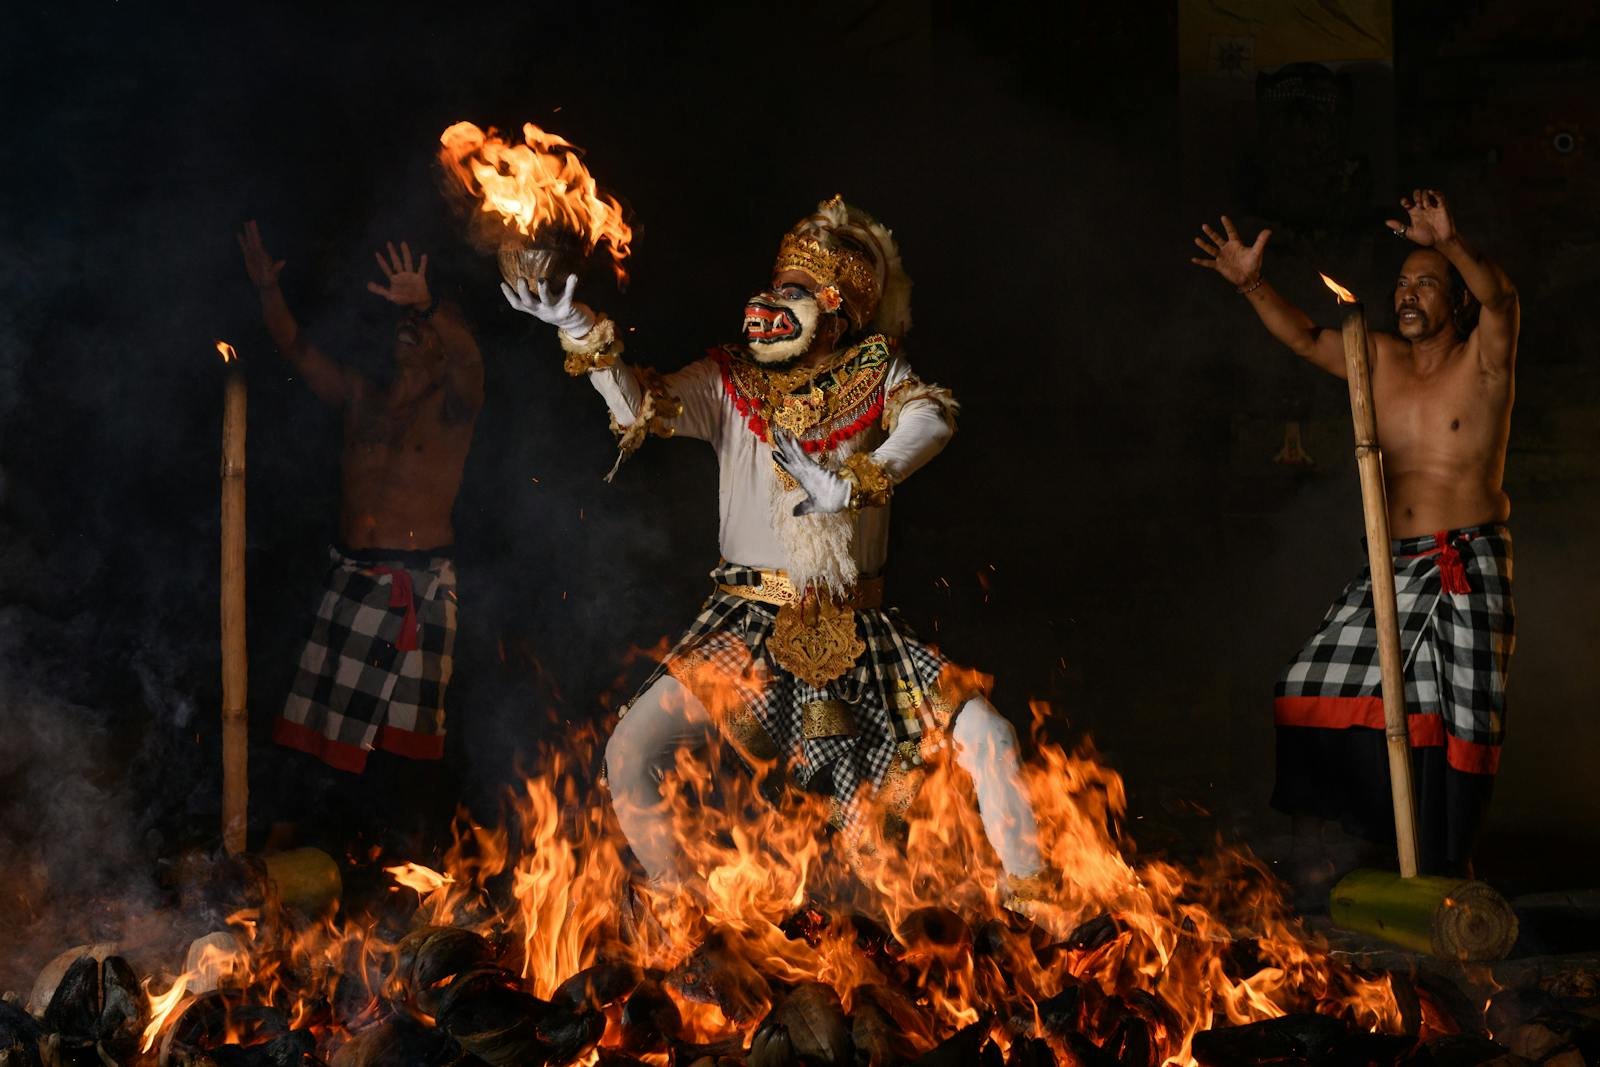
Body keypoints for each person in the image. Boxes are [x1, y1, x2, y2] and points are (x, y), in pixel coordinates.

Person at [503, 197, 1054, 912]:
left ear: (836, 310)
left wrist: (858, 480)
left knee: (987, 734)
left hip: (855, 631)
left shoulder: (877, 373)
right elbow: (642, 406)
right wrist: (579, 328)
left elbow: (933, 416)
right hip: (744, 624)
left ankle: (1037, 905)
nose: (771, 300)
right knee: (628, 752)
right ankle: (682, 913)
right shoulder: (729, 377)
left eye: (794, 291)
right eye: (777, 284)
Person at [1191, 190, 1518, 878]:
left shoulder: (1484, 358)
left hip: (1468, 560)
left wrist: (1453, 239)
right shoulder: (1377, 358)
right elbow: (1306, 337)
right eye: (1401, 282)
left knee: (1461, 725)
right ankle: (1362, 840)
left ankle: (1447, 866)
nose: (1407, 294)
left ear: (1455, 301)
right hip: (1394, 563)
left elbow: (1500, 299)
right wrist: (1251, 283)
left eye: (1426, 284)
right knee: (1308, 686)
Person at [237, 221, 483, 779]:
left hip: (415, 584)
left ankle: (399, 848)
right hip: (349, 576)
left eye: (422, 327)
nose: (409, 328)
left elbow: (471, 364)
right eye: (405, 320)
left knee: (396, 750)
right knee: (319, 737)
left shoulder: (453, 409)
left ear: (443, 350)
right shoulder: (359, 396)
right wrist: (267, 290)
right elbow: (295, 348)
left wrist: (430, 305)